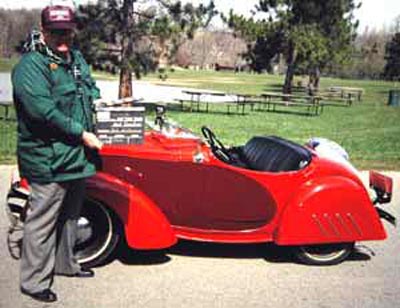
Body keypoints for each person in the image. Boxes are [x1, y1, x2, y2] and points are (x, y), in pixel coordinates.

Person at [12, 5, 103, 303]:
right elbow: (43, 112)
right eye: (56, 32)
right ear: (44, 29)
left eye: (67, 31)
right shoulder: (31, 66)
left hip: (77, 158)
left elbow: (89, 88)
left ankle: (66, 265)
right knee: (42, 220)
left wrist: (108, 107)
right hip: (48, 158)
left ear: (74, 29)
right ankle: (34, 281)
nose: (63, 38)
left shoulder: (74, 58)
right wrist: (82, 134)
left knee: (70, 216)